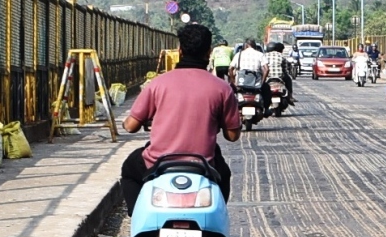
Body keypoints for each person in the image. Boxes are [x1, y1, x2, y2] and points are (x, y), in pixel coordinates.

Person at [121, 23, 241, 208]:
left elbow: (130, 126)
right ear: (209, 52)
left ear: (179, 50)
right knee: (223, 175)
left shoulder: (158, 84)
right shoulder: (222, 88)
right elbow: (232, 136)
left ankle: (138, 214)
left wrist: (125, 122)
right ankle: (217, 223)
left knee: (129, 170)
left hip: (157, 163)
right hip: (204, 164)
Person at [262, 41, 293, 107]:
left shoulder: (264, 56)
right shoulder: (281, 55)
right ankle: (290, 96)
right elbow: (285, 69)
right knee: (289, 79)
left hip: (268, 77)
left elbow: (262, 68)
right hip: (280, 77)